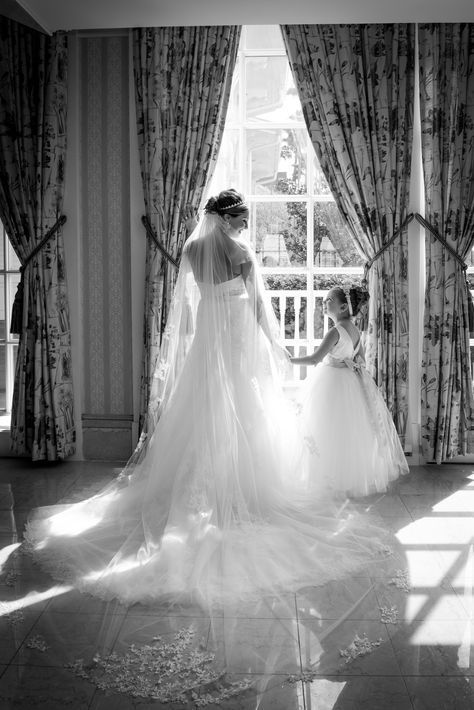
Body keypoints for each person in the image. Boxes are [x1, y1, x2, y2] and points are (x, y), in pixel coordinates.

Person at [23, 192, 393, 695]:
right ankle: (238, 493)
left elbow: (191, 308)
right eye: (241, 218)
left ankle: (191, 489)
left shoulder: (195, 251)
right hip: (236, 343)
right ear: (228, 218)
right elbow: (261, 307)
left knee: (201, 416)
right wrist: (278, 347)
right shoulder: (242, 255)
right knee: (243, 414)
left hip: (208, 346)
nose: (244, 225)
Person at [291, 285, 409, 498]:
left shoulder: (335, 331)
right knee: (344, 432)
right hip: (350, 383)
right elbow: (360, 359)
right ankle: (343, 477)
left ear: (343, 306)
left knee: (326, 430)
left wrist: (288, 358)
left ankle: (327, 478)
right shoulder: (353, 329)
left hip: (332, 382)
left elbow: (314, 359)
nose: (324, 302)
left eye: (328, 300)